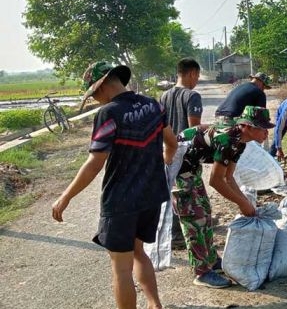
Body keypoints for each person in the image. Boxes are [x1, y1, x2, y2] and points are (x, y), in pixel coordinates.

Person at [52, 61, 177, 309]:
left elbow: (94, 163)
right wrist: (157, 166)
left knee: (121, 269)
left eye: (94, 94)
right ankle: (155, 305)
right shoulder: (153, 105)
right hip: (151, 195)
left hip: (121, 202)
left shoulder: (109, 113)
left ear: (101, 87)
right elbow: (171, 144)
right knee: (139, 252)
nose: (96, 100)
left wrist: (65, 196)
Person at [173, 106, 273, 288]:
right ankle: (201, 272)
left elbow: (229, 177)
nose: (266, 133)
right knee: (194, 217)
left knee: (205, 211)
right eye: (262, 128)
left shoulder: (241, 142)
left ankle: (210, 259)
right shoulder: (228, 139)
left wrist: (245, 202)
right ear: (247, 126)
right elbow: (216, 181)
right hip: (176, 163)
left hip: (191, 165)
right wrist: (242, 203)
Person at [159, 57, 203, 248]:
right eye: (198, 76)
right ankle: (180, 235)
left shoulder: (164, 96)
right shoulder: (192, 96)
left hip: (168, 151)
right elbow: (194, 129)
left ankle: (172, 232)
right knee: (188, 196)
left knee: (172, 192)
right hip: (185, 153)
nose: (197, 80)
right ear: (192, 73)